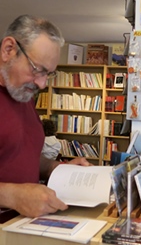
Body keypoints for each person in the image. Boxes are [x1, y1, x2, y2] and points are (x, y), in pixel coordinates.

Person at [0, 14, 91, 218]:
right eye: (37, 70)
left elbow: (20, 154)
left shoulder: (22, 94)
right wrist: (12, 195)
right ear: (8, 50)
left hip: (21, 227)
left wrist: (58, 169)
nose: (42, 84)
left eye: (48, 74)